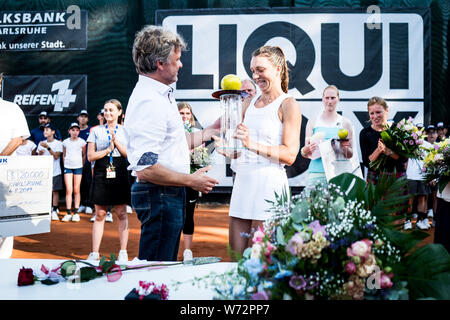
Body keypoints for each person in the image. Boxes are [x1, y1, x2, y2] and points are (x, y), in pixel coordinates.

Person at [124, 25, 219, 262]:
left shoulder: (159, 95)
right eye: (177, 59)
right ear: (160, 63)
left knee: (161, 265)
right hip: (160, 195)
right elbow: (146, 168)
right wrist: (191, 180)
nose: (181, 64)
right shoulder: (150, 101)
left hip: (165, 195)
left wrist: (210, 131)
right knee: (155, 271)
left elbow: (174, 144)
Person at [216, 46, 301, 257]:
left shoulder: (289, 104)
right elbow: (239, 149)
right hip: (243, 183)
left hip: (270, 186)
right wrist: (229, 150)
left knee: (262, 262)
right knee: (235, 260)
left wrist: (250, 143)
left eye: (260, 70)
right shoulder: (248, 102)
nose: (255, 76)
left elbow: (290, 155)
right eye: (253, 70)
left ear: (278, 69)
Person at [86, 99, 130, 262]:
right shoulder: (95, 131)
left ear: (119, 112)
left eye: (111, 110)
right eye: (106, 110)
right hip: (101, 169)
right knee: (100, 213)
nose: (108, 113)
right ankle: (95, 253)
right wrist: (107, 150)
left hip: (119, 169)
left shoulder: (126, 131)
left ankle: (123, 252)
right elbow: (90, 156)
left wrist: (116, 142)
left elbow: (128, 155)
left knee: (121, 212)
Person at [359, 97, 409, 227]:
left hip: (396, 177)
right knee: (376, 217)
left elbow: (403, 159)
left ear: (386, 111)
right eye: (372, 113)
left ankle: (396, 244)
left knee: (398, 217)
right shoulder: (365, 133)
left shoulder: (397, 130)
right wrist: (378, 150)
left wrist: (388, 152)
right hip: (375, 179)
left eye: (378, 112)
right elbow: (366, 162)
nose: (375, 116)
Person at [0, 72, 31, 259]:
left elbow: (18, 138)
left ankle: (2, 262)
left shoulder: (12, 109)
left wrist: (0, 158)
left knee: (4, 219)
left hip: (5, 172)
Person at [300, 85, 353, 187]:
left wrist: (344, 147)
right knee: (313, 203)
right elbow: (304, 153)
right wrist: (306, 150)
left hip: (338, 174)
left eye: (333, 98)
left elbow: (350, 155)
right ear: (322, 99)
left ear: (338, 99)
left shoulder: (345, 123)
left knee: (338, 203)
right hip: (316, 173)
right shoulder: (313, 121)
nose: (329, 101)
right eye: (327, 98)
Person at [177, 101, 201, 261]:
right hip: (174, 179)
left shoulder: (197, 133)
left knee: (188, 215)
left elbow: (200, 160)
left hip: (191, 180)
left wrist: (193, 153)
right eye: (181, 113)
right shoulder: (171, 132)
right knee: (173, 215)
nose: (185, 117)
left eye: (187, 114)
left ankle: (187, 251)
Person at [230, 78, 258, 183]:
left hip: (259, 167)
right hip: (239, 168)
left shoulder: (264, 111)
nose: (246, 93)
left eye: (249, 90)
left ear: (255, 92)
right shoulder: (231, 112)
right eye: (243, 91)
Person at [406, 123, 432, 230]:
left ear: (425, 133)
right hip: (411, 176)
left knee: (422, 199)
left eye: (422, 130)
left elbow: (431, 162)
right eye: (418, 130)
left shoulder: (429, 146)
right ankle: (407, 221)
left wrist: (430, 176)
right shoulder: (409, 144)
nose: (420, 131)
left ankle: (420, 221)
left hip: (423, 177)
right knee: (410, 200)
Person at [36, 124, 64, 221]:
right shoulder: (41, 143)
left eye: (47, 130)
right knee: (44, 192)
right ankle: (45, 209)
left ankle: (54, 210)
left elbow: (56, 156)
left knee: (55, 191)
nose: (45, 132)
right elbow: (38, 158)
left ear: (53, 132)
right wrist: (39, 154)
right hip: (43, 172)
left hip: (55, 171)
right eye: (44, 130)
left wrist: (48, 147)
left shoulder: (58, 143)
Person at [61, 122, 87, 222]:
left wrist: (81, 165)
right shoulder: (65, 142)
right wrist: (65, 164)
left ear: (79, 131)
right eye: (73, 130)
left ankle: (75, 213)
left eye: (77, 130)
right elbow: (64, 155)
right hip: (68, 167)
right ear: (69, 131)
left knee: (76, 190)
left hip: (78, 167)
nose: (75, 132)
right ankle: (68, 213)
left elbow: (84, 155)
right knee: (69, 190)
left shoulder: (82, 142)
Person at [76, 109, 94, 215]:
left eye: (85, 116)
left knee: (89, 183)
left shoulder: (91, 130)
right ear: (78, 118)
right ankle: (82, 204)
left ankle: (89, 205)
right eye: (81, 116)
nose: (83, 118)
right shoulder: (74, 131)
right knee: (80, 184)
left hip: (88, 162)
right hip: (76, 163)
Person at [425, 124, 438, 222]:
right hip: (424, 176)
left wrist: (434, 178)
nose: (431, 135)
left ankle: (435, 219)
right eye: (429, 133)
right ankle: (423, 219)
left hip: (437, 177)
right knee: (423, 198)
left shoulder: (441, 146)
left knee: (435, 197)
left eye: (433, 132)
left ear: (437, 134)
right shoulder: (422, 146)